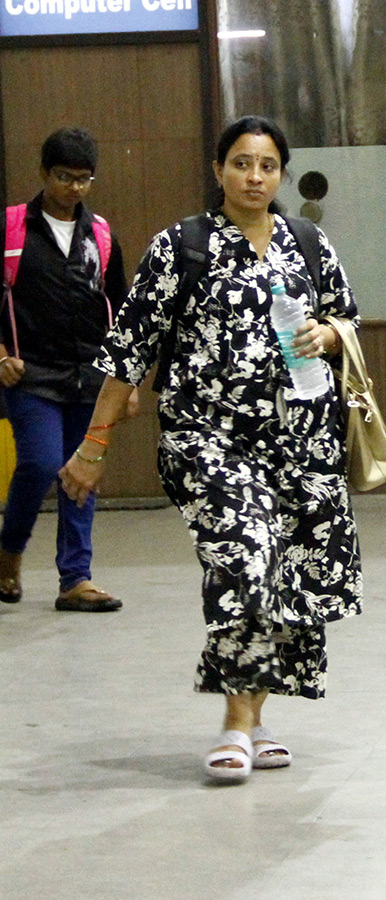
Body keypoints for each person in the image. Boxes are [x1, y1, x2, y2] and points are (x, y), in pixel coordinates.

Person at [59, 116, 363, 783]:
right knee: (246, 559)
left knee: (289, 582)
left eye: (267, 166)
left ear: (281, 173)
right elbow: (129, 349)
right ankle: (234, 722)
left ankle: (254, 718)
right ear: (219, 169)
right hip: (209, 441)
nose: (254, 177)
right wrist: (93, 445)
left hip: (301, 444)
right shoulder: (182, 247)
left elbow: (347, 316)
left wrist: (330, 335)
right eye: (240, 163)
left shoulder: (308, 243)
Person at [0, 127, 132, 612]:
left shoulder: (100, 236)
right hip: (30, 375)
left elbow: (119, 310)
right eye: (64, 177)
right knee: (38, 462)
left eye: (84, 179)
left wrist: (126, 381)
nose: (74, 188)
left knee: (83, 472)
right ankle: (9, 552)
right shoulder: (12, 228)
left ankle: (75, 578)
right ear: (43, 173)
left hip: (90, 376)